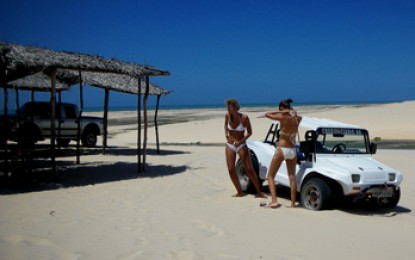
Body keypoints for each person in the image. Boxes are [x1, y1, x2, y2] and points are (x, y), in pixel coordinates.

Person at [263, 98, 302, 208]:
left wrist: (281, 112)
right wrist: (289, 112)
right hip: (293, 150)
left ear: (283, 109)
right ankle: (293, 204)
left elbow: (267, 114)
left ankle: (274, 201)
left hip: (282, 148)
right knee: (292, 177)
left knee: (270, 175)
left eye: (280, 109)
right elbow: (297, 115)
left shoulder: (282, 117)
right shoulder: (298, 118)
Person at [224, 98, 267, 198]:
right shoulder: (227, 116)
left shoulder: (244, 117)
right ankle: (239, 191)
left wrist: (241, 141)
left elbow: (250, 132)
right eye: (227, 108)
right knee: (231, 169)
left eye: (230, 108)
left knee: (249, 168)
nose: (228, 110)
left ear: (236, 108)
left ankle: (259, 192)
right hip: (230, 144)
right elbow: (225, 126)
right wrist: (226, 136)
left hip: (241, 144)